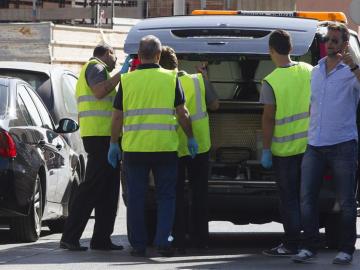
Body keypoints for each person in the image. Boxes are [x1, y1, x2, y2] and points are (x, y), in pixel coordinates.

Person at [108, 35, 198, 257]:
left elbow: (117, 117)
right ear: (159, 56)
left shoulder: (127, 81)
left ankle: (138, 245)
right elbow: (182, 113)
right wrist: (190, 136)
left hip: (134, 149)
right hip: (165, 148)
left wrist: (113, 143)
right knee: (166, 197)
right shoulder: (171, 77)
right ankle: (163, 241)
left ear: (139, 56)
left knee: (136, 197)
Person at [292, 22, 360, 265]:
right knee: (306, 197)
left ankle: (346, 249)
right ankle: (309, 246)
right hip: (315, 144)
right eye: (327, 40)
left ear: (343, 44)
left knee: (346, 201)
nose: (329, 44)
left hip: (343, 144)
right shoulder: (316, 70)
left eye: (334, 40)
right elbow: (314, 104)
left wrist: (353, 64)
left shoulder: (351, 72)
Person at [60, 44, 126, 251]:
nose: (117, 61)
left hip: (106, 137)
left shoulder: (99, 70)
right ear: (107, 53)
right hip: (100, 137)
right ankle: (70, 237)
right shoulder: (96, 67)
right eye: (115, 56)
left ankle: (101, 239)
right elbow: (99, 92)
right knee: (91, 188)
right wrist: (121, 76)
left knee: (108, 190)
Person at [159, 46, 219, 253]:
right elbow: (215, 105)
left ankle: (178, 239)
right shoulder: (197, 80)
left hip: (173, 146)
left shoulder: (162, 82)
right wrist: (205, 77)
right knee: (199, 193)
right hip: (199, 145)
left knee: (174, 194)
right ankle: (201, 239)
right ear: (178, 63)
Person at [260, 29, 313, 256]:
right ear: (291, 48)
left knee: (289, 199)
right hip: (311, 148)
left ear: (271, 50)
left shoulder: (270, 81)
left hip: (284, 151)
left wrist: (265, 149)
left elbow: (269, 118)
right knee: (307, 199)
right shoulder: (310, 71)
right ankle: (309, 244)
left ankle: (291, 244)